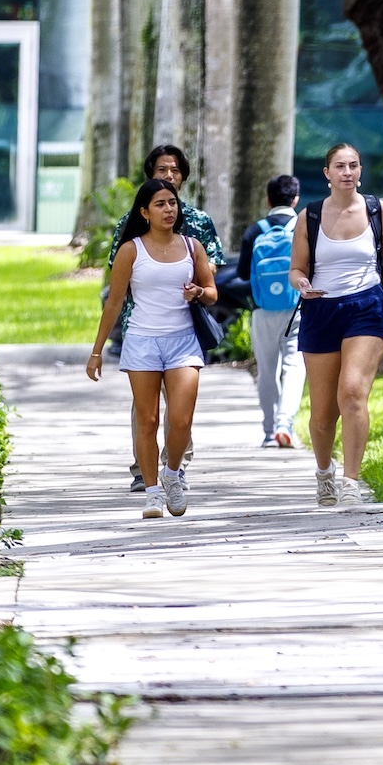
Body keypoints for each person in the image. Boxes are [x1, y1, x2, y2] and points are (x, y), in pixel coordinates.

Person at [297, 142, 383, 509]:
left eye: (354, 165)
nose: (347, 172)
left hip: (366, 306)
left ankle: (351, 480)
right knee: (323, 414)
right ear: (327, 174)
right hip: (321, 310)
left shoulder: (377, 211)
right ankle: (324, 473)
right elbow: (296, 267)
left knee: (353, 391)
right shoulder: (309, 216)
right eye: (339, 166)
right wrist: (302, 284)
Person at [88, 177, 219, 517]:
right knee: (147, 420)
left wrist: (199, 293)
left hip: (183, 341)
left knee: (181, 420)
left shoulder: (192, 247)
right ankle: (151, 492)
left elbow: (212, 291)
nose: (168, 210)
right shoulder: (131, 250)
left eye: (172, 203)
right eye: (160, 204)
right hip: (142, 341)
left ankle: (172, 473)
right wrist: (97, 350)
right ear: (144, 212)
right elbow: (114, 303)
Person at [108, 144, 223, 485]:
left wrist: (196, 283)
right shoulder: (129, 225)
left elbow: (210, 267)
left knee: (180, 408)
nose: (168, 175)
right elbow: (119, 273)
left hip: (183, 323)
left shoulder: (198, 223)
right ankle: (144, 473)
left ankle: (177, 466)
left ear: (183, 176)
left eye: (174, 170)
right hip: (141, 325)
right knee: (146, 412)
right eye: (161, 170)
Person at [233, 174, 305, 449]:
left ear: (268, 199)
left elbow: (242, 273)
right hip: (297, 307)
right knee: (294, 366)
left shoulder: (255, 231)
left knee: (266, 370)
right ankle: (284, 423)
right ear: (295, 199)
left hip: (262, 309)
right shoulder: (303, 226)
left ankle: (267, 431)